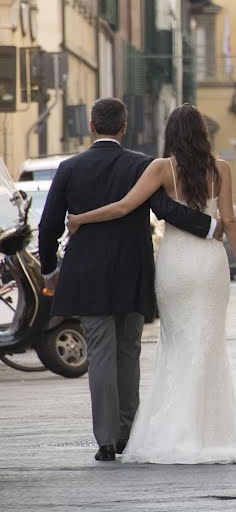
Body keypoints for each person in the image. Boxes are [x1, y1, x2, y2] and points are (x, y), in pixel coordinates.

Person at [66, 103, 236, 465]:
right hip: (211, 263)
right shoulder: (222, 168)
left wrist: (81, 219)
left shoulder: (162, 168)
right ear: (202, 133)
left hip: (176, 266)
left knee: (180, 344)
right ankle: (209, 431)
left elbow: (123, 207)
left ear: (170, 134)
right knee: (209, 344)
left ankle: (177, 429)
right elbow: (228, 221)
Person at [38, 98, 220, 463]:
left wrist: (48, 270)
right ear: (123, 127)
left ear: (92, 126)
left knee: (102, 352)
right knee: (129, 350)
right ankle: (127, 432)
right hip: (133, 269)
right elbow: (167, 210)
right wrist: (211, 227)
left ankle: (106, 440)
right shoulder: (143, 165)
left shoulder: (69, 167)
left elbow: (49, 224)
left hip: (87, 272)